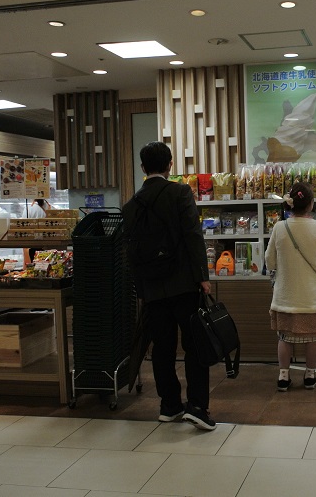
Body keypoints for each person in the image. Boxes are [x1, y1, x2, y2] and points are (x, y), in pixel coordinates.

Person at [121, 141, 214, 430]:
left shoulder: (131, 206)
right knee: (194, 345)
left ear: (142, 167)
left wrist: (140, 290)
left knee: (162, 348)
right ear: (170, 165)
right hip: (183, 283)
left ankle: (169, 405)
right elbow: (193, 235)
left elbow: (130, 252)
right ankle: (197, 407)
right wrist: (203, 276)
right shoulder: (180, 192)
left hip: (151, 288)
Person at [265, 181, 316, 391]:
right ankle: (310, 376)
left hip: (285, 296)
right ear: (311, 204)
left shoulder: (279, 227)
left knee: (285, 338)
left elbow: (270, 260)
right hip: (312, 297)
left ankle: (283, 376)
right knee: (313, 338)